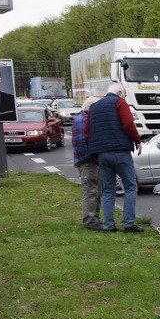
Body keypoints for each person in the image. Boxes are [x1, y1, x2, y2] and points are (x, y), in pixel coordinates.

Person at [87, 83, 143, 233]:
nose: (125, 97)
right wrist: (137, 141)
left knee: (108, 190)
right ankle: (129, 223)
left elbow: (88, 130)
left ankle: (108, 225)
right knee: (131, 186)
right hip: (120, 151)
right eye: (124, 94)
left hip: (102, 154)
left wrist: (94, 150)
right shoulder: (120, 102)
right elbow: (128, 124)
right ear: (119, 92)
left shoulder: (94, 107)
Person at [71, 96, 102, 230]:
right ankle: (91, 221)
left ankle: (94, 219)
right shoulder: (84, 120)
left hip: (85, 160)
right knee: (91, 190)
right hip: (89, 160)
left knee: (93, 189)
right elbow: (84, 141)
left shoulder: (79, 119)